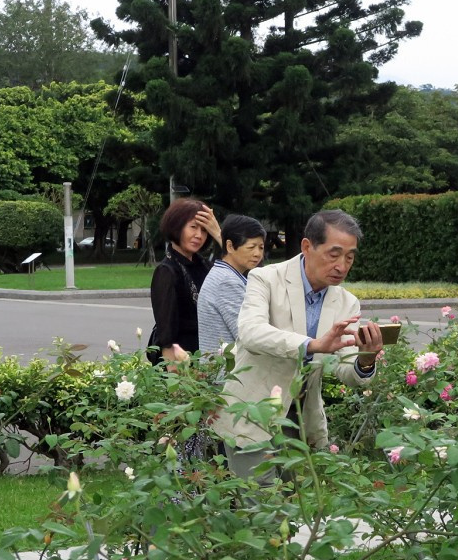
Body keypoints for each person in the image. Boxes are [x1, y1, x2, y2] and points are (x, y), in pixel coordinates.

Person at [214, 209, 383, 481]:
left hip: (300, 420)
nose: (342, 265)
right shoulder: (265, 279)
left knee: (294, 509)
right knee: (261, 507)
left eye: (350, 257)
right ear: (307, 246)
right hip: (252, 413)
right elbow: (251, 333)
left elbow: (346, 370)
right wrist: (312, 345)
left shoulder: (347, 302)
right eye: (334, 254)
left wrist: (365, 359)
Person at [149, 198, 222, 363]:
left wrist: (218, 233)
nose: (199, 235)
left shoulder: (206, 267)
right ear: (177, 227)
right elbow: (166, 335)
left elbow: (241, 267)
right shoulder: (167, 271)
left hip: (207, 358)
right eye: (193, 227)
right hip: (180, 365)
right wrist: (176, 381)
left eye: (204, 230)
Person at [197, 215, 267, 353]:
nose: (257, 254)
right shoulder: (226, 281)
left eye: (261, 247)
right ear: (229, 246)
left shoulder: (226, 274)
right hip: (227, 371)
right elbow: (249, 336)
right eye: (251, 247)